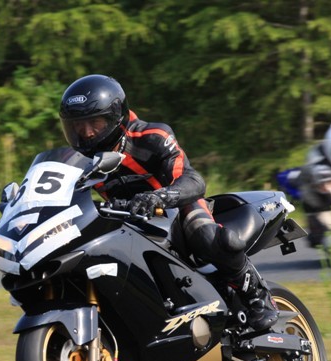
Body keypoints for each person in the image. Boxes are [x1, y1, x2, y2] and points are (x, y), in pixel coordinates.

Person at [59, 74, 278, 331]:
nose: (86, 133)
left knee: (205, 235)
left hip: (176, 207)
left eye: (94, 123)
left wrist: (159, 196)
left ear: (115, 117)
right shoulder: (77, 160)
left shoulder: (151, 136)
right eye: (77, 125)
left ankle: (257, 295)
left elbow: (192, 180)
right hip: (124, 220)